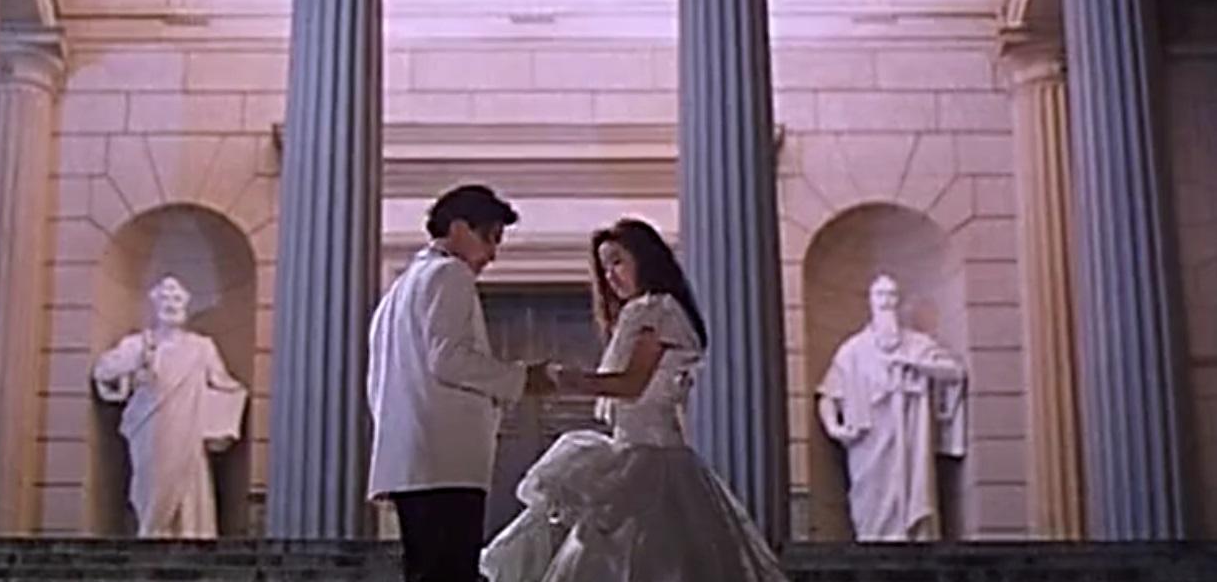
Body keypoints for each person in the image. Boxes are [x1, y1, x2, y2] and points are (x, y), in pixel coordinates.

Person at [479, 218, 787, 582]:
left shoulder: (655, 310)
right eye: (604, 267)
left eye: (618, 262)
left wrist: (565, 379)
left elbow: (631, 384)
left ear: (645, 259)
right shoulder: (640, 313)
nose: (610, 275)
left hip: (653, 455)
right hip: (631, 450)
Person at [367, 185, 557, 582]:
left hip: (411, 459)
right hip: (444, 460)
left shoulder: (400, 289)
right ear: (458, 228)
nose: (492, 254)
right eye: (489, 237)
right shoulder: (449, 273)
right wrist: (522, 378)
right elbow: (449, 359)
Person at [91, 275, 247, 538]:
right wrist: (132, 366)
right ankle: (151, 531)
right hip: (149, 427)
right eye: (164, 298)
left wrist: (227, 411)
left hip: (188, 429)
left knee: (188, 485)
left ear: (185, 304)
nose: (171, 303)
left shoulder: (201, 347)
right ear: (155, 304)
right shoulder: (138, 344)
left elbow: (224, 384)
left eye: (176, 298)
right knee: (150, 481)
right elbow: (103, 371)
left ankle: (187, 533)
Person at [816, 274, 966, 541]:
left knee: (914, 492)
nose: (886, 302)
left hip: (910, 442)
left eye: (891, 295)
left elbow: (955, 373)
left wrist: (916, 365)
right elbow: (828, 395)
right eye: (880, 295)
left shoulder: (918, 346)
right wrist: (835, 427)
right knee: (869, 499)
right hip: (869, 443)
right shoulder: (853, 351)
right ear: (871, 301)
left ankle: (915, 537)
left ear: (898, 301)